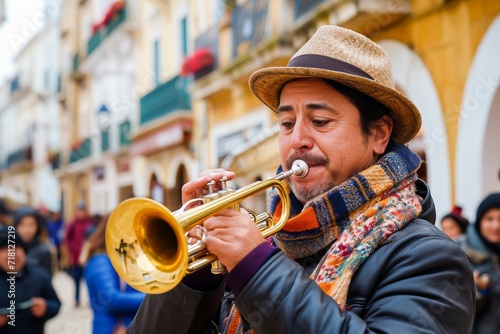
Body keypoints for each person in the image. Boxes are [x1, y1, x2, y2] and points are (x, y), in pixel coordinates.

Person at [127, 25, 475, 333]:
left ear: (380, 134)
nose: (297, 140)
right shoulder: (273, 241)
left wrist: (256, 268)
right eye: (286, 123)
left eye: (320, 121)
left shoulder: (431, 259)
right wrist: (196, 279)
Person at [84, 215, 145, 334]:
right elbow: (110, 298)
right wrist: (153, 297)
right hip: (111, 329)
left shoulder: (122, 259)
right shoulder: (100, 260)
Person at [0, 227, 61, 334]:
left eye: (15, 247)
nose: (11, 254)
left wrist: (46, 307)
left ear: (24, 251)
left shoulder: (40, 275)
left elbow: (56, 304)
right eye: (5, 249)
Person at [455, 193, 500, 334]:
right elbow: (452, 306)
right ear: (480, 221)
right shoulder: (460, 251)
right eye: (489, 219)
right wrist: (478, 290)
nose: (496, 225)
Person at [64, 200, 92, 307]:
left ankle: (90, 299)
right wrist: (74, 249)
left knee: (89, 280)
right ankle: (76, 300)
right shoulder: (73, 224)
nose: (81, 213)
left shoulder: (89, 223)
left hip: (87, 258)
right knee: (76, 281)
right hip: (76, 257)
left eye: (82, 210)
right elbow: (68, 239)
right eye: (79, 210)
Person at [13, 207, 56, 277]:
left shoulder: (44, 251)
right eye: (22, 224)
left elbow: (46, 281)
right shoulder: (7, 249)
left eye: (31, 225)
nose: (26, 230)